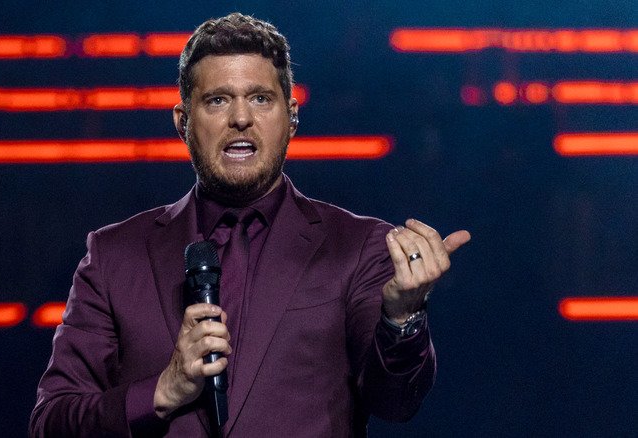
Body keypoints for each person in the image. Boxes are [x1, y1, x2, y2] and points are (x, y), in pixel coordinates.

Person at [30, 12, 470, 437]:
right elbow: (51, 421)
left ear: (292, 117)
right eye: (217, 100)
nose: (241, 118)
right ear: (183, 122)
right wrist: (162, 392)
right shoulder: (114, 255)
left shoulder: (356, 246)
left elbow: (396, 403)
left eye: (260, 98)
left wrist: (403, 317)